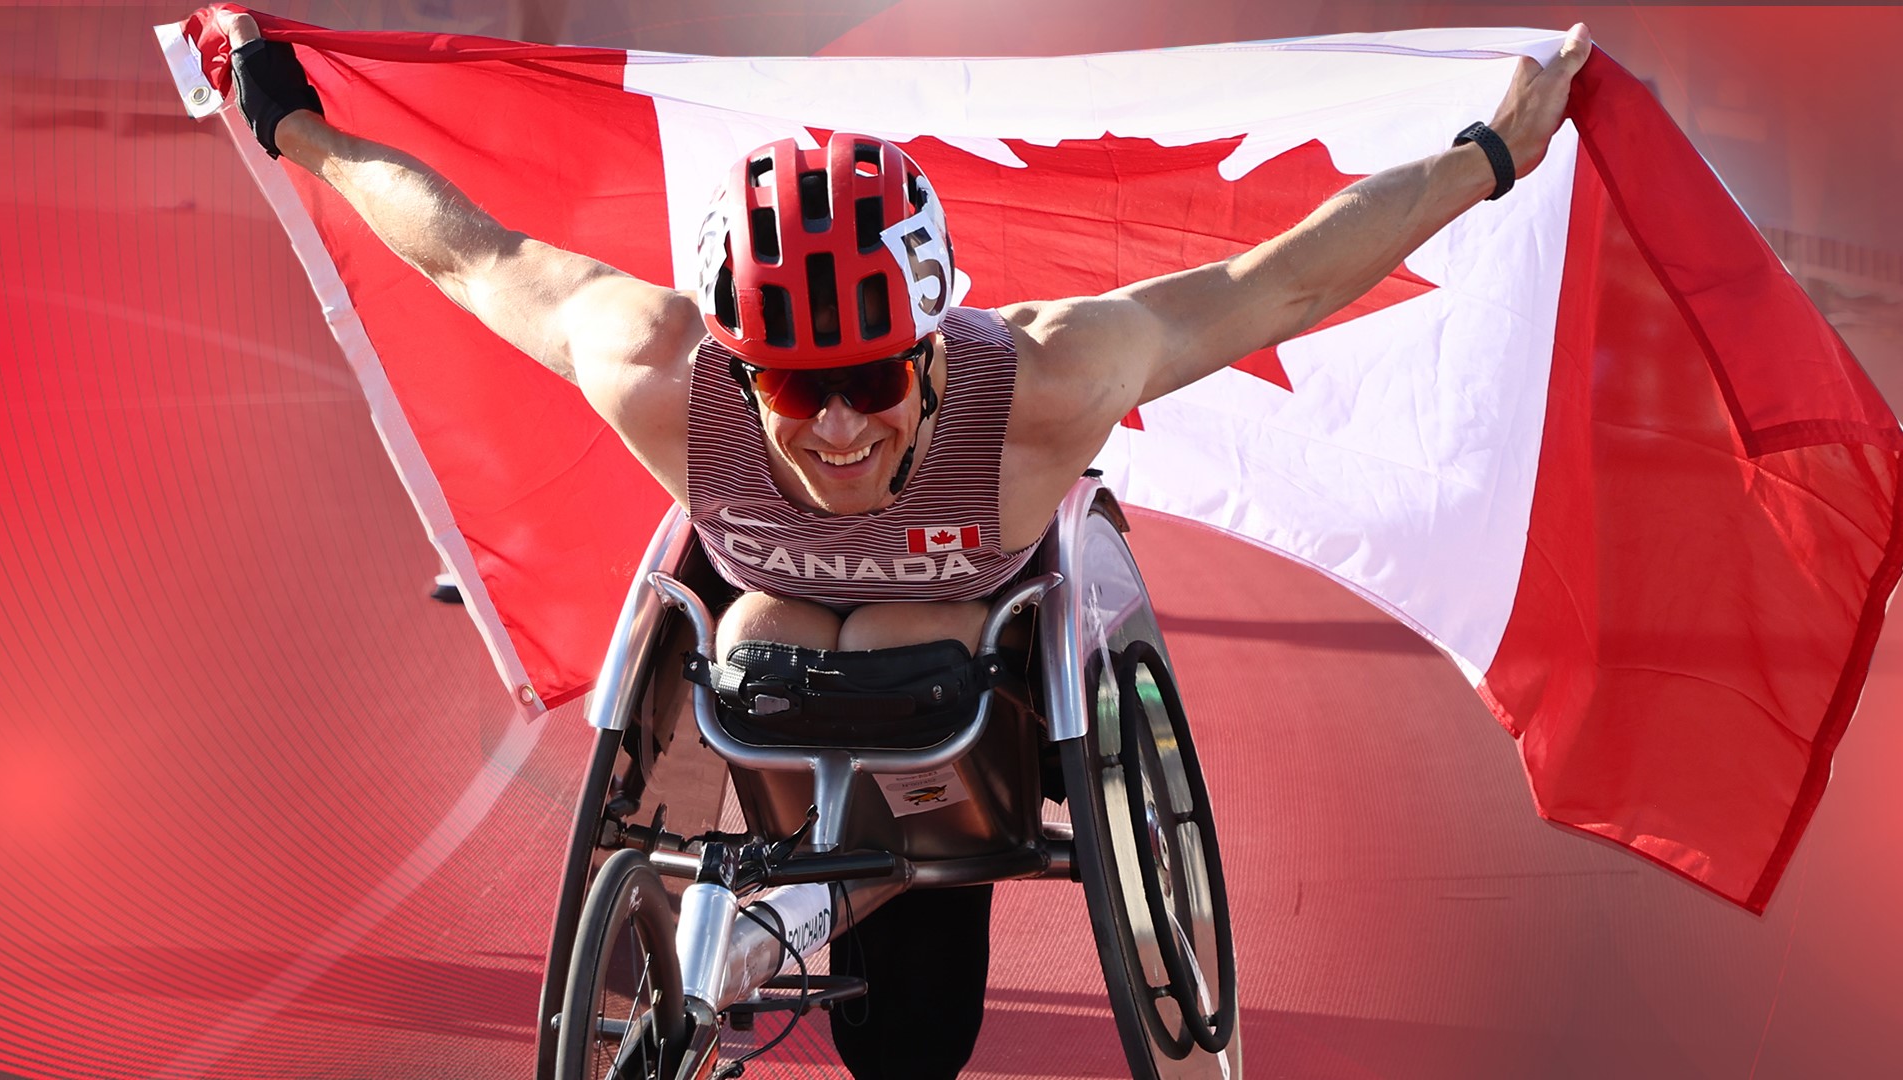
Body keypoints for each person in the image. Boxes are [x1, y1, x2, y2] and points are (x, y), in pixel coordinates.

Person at [218, 11, 1590, 1076]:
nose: (831, 431)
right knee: (755, 645)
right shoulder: (651, 366)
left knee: (909, 1044)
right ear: (733, 366)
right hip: (772, 652)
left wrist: (1491, 156)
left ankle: (835, 915)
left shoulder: (1046, 379)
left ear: (934, 354)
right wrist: (294, 128)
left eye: (869, 384)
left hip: (962, 699)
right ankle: (764, 910)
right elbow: (468, 254)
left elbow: (1281, 280)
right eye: (793, 389)